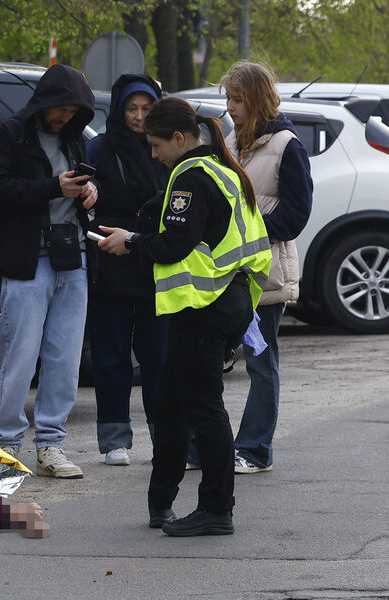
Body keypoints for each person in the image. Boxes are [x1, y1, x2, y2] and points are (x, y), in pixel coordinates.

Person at [98, 97, 272, 536]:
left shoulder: (191, 177)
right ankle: (161, 504)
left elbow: (175, 245)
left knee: (202, 408)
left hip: (205, 307)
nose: (153, 154)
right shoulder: (222, 169)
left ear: (179, 138)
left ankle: (216, 509)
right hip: (226, 303)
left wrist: (131, 241)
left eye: (156, 145)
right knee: (172, 406)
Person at [0, 64, 98, 479]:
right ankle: (6, 444)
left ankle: (51, 444)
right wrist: (53, 187)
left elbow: (82, 184)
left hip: (73, 256)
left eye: (73, 112)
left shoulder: (74, 138)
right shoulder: (8, 133)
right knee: (20, 355)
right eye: (61, 109)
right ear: (44, 102)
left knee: (65, 358)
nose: (66, 117)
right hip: (27, 259)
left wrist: (90, 191)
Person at [221, 61, 313, 474]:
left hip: (265, 275)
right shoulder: (228, 140)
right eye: (228, 98)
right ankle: (201, 448)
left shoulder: (287, 145)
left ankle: (255, 451)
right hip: (223, 272)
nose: (230, 107)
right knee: (207, 358)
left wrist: (248, 235)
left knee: (260, 362)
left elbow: (295, 215)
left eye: (238, 99)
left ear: (258, 99)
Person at [84, 73, 170, 467]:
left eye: (147, 108)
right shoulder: (99, 147)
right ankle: (114, 439)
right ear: (118, 110)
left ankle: (165, 436)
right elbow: (85, 195)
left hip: (156, 261)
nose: (138, 116)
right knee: (111, 355)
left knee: (158, 356)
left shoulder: (166, 148)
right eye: (131, 108)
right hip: (110, 261)